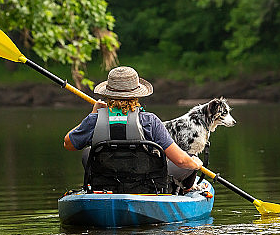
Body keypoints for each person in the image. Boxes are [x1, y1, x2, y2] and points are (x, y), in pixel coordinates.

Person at [63, 66, 202, 186]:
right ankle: (187, 189)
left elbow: (68, 144)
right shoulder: (150, 121)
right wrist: (196, 164)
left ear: (108, 95)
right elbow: (180, 160)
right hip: (146, 185)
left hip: (107, 183)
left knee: (88, 153)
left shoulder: (94, 120)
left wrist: (93, 114)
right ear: (136, 95)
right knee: (190, 159)